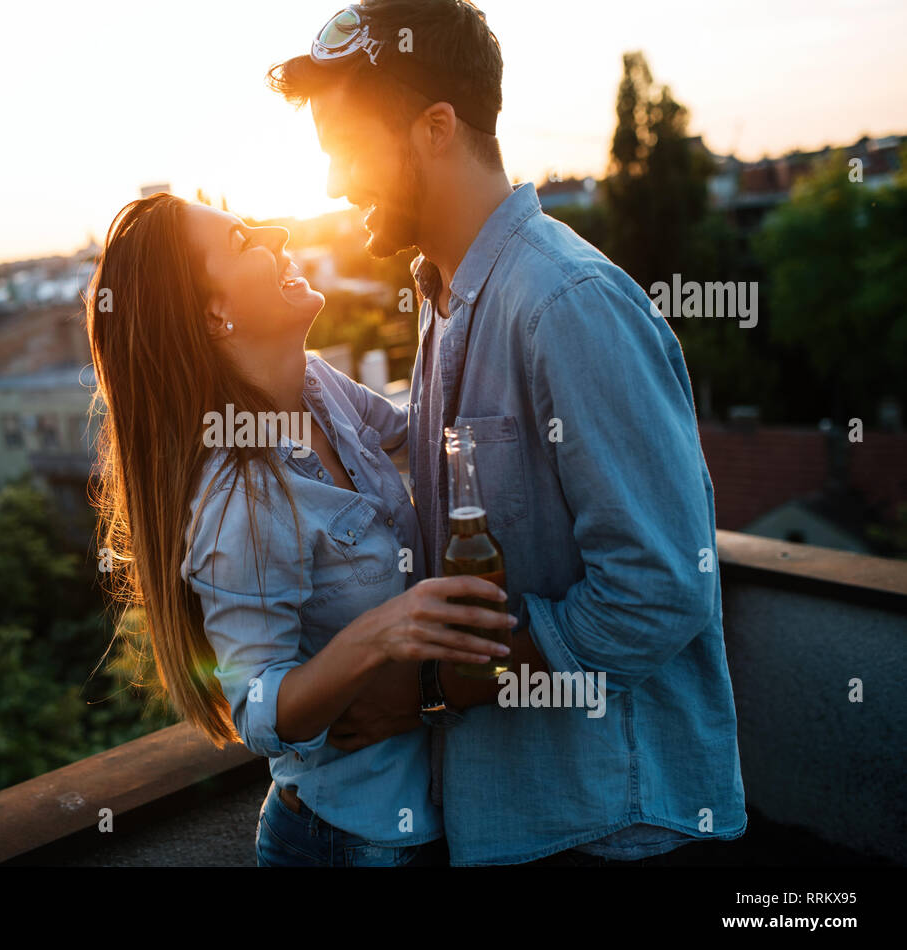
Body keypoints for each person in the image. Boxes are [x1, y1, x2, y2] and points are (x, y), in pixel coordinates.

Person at [266, 0, 747, 865]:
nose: (335, 184)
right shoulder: (443, 300)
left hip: (608, 833)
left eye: (347, 148)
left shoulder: (566, 303)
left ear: (436, 127)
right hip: (512, 827)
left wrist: (429, 693)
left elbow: (660, 591)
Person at [86, 191, 516, 866]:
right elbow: (258, 711)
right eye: (242, 241)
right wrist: (379, 632)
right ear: (214, 314)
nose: (278, 231)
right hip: (354, 844)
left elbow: (431, 437)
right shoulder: (239, 501)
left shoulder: (319, 386)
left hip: (436, 816)